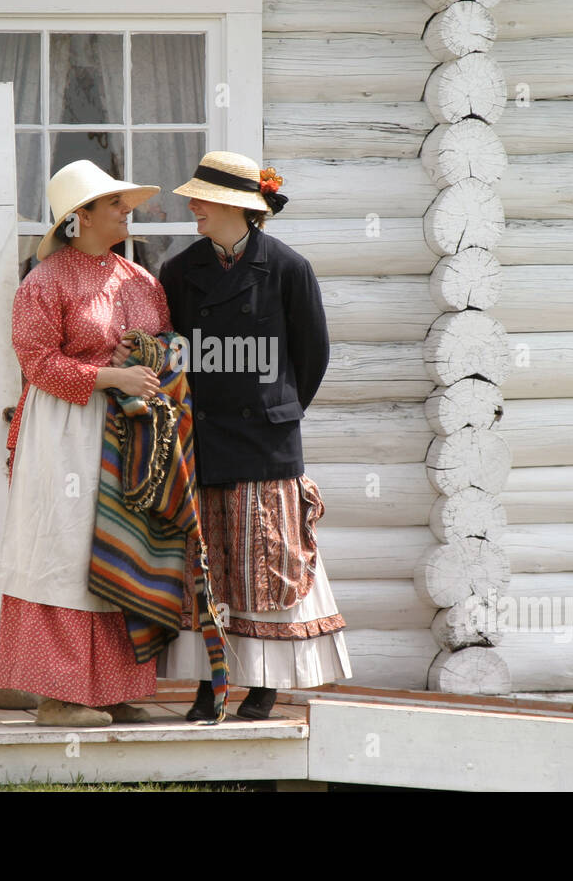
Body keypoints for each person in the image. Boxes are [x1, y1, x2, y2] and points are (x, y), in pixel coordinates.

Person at [151, 150, 353, 720]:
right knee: (209, 560)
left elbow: (312, 357)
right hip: (205, 437)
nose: (192, 206)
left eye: (203, 199)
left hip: (266, 442)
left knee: (265, 562)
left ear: (237, 206)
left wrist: (274, 409)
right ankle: (209, 683)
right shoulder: (180, 271)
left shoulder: (289, 268)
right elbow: (177, 352)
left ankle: (264, 683)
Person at [0, 159, 168, 728]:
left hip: (126, 432)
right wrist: (111, 377)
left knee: (118, 549)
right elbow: (38, 362)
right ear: (81, 218)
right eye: (114, 204)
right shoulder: (44, 282)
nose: (126, 211)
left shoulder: (140, 280)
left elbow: (167, 348)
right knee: (62, 551)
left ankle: (112, 689)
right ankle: (57, 698)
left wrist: (151, 360)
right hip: (62, 431)